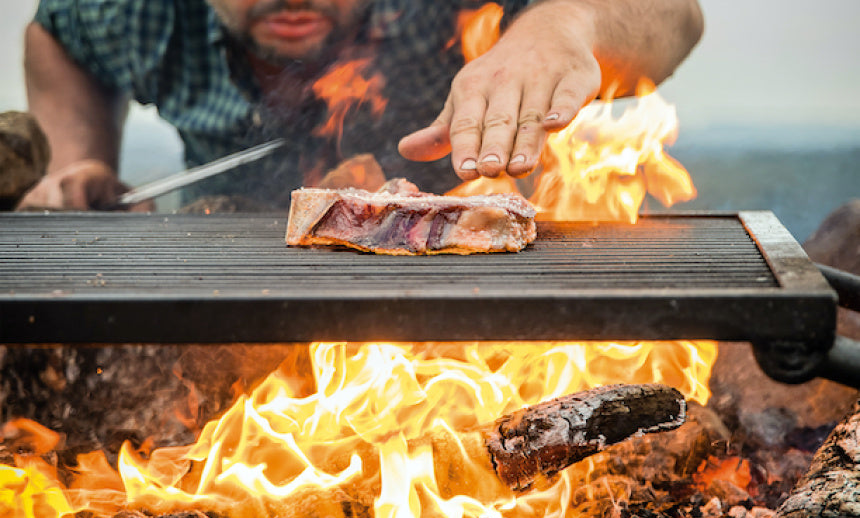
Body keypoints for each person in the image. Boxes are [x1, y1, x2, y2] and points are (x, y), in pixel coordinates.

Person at [18, 0, 703, 211]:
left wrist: (565, 25)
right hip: (235, 289)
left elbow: (676, 17)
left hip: (466, 303)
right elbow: (58, 35)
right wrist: (77, 161)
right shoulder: (137, 12)